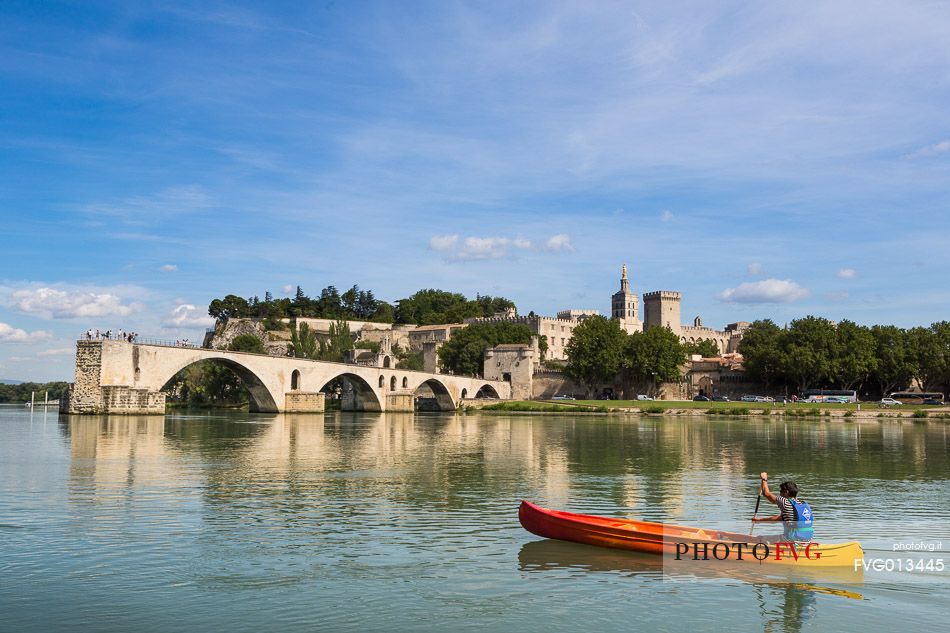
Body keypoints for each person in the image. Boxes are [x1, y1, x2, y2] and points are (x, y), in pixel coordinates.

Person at [752, 472, 814, 542]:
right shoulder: (803, 504)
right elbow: (779, 518)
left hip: (792, 539)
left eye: (781, 491)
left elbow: (766, 493)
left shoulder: (785, 501)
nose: (780, 494)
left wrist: (764, 479)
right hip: (808, 539)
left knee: (759, 539)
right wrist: (759, 520)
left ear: (786, 492)